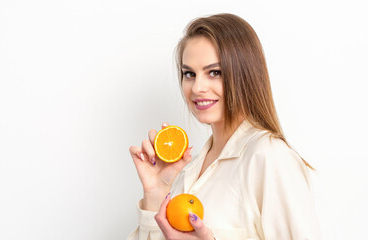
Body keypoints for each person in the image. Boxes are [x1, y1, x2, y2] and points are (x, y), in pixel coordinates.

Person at [127, 13, 320, 240]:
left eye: (215, 72)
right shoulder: (187, 173)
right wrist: (156, 191)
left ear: (245, 75)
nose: (197, 87)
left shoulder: (268, 157)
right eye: (189, 74)